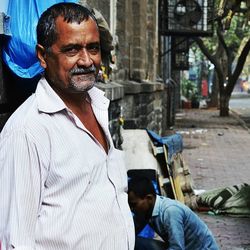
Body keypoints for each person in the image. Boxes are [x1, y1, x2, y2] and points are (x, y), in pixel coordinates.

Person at [0, 3, 135, 250]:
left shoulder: (98, 106)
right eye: (71, 50)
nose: (86, 60)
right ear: (42, 56)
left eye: (93, 48)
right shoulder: (27, 132)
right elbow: (15, 242)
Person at [128, 177, 219, 250]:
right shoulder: (146, 210)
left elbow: (177, 248)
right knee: (131, 241)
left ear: (149, 198)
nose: (132, 209)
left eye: (134, 204)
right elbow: (132, 231)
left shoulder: (170, 212)